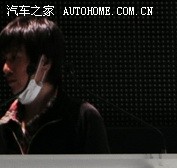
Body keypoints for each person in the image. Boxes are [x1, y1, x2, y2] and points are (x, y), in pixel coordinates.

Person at [0, 17, 109, 154]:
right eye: (5, 59)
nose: (5, 68)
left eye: (14, 57)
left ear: (44, 62)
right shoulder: (4, 124)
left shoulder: (83, 118)